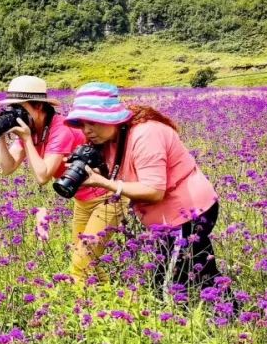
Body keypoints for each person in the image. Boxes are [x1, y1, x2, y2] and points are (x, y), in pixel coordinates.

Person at [63, 81, 228, 299]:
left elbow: (154, 191)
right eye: (82, 124)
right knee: (201, 270)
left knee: (166, 289)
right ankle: (229, 313)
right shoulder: (111, 139)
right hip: (165, 218)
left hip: (187, 213)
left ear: (110, 117)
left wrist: (102, 183)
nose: (87, 130)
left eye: (92, 122)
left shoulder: (145, 134)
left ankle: (184, 324)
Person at [0, 76, 124, 283]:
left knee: (80, 264)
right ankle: (111, 298)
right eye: (11, 108)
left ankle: (85, 309)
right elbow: (7, 168)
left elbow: (43, 176)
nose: (14, 113)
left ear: (38, 107)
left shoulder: (60, 129)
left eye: (19, 107)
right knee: (87, 260)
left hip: (107, 198)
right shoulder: (31, 130)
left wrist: (26, 139)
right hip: (83, 200)